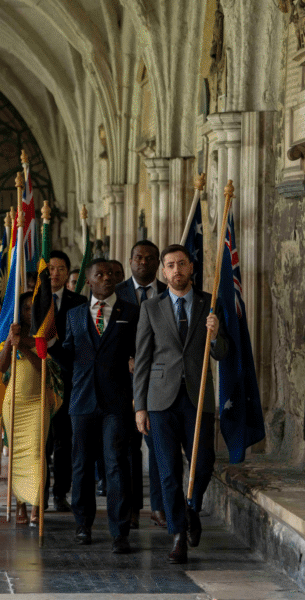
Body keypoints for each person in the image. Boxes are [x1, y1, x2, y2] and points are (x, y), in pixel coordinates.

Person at [134, 244, 228, 564]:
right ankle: (178, 534)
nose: (176, 270)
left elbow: (223, 352)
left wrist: (215, 336)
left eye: (182, 264)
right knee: (169, 470)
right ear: (163, 272)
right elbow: (143, 359)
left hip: (198, 397)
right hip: (160, 399)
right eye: (170, 265)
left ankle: (191, 510)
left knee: (202, 463)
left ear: (191, 268)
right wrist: (140, 407)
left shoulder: (209, 303)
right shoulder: (151, 308)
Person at [60, 261, 138, 552]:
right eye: (99, 275)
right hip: (81, 401)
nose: (107, 279)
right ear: (88, 282)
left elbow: (138, 351)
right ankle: (83, 524)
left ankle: (120, 531)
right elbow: (67, 354)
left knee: (115, 463)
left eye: (110, 275)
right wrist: (47, 346)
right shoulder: (75, 315)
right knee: (81, 465)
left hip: (115, 401)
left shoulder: (130, 312)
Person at [0, 292, 62, 526]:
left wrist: (24, 347)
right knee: (16, 456)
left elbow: (45, 372)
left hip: (36, 403)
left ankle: (36, 504)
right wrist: (10, 344)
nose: (27, 311)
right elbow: (1, 367)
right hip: (14, 404)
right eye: (23, 308)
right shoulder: (12, 333)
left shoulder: (44, 337)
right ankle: (20, 504)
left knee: (36, 455)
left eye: (31, 307)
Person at [116, 240, 168, 529]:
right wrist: (126, 359)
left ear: (157, 262)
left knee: (157, 444)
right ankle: (132, 507)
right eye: (138, 257)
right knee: (128, 448)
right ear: (130, 260)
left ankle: (159, 506)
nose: (143, 262)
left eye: (150, 258)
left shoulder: (167, 293)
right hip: (123, 382)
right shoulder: (117, 292)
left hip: (157, 381)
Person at [46, 250, 86, 512]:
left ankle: (60, 492)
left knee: (64, 441)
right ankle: (36, 493)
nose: (55, 273)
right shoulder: (32, 300)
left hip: (69, 379)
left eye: (61, 268)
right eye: (50, 268)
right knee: (41, 441)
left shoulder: (79, 302)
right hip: (39, 378)